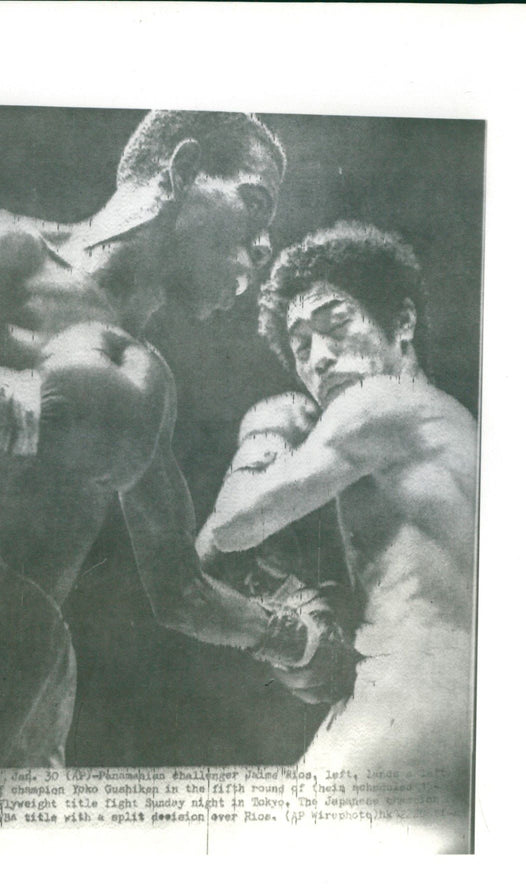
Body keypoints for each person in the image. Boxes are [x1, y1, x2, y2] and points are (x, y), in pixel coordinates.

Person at [0, 111, 357, 768]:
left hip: (27, 682)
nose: (264, 246)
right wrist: (16, 413)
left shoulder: (148, 384)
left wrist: (298, 641)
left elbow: (181, 593)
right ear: (181, 171)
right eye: (253, 202)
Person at [196, 222, 479, 850]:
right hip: (468, 715)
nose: (319, 357)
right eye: (301, 345)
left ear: (401, 322)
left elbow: (229, 531)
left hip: (406, 703)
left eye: (336, 325)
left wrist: (263, 433)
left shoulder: (377, 400)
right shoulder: (453, 422)